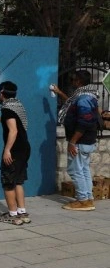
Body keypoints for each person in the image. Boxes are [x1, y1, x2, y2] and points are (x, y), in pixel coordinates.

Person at [0, 81, 31, 225]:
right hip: (24, 148)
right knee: (18, 181)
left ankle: (12, 215)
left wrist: (7, 150)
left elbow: (13, 130)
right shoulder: (17, 105)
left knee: (8, 182)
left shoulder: (7, 109)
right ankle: (22, 212)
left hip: (14, 150)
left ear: (2, 93)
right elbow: (9, 121)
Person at [51, 70, 99, 211]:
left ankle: (83, 200)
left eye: (73, 79)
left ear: (79, 81)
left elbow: (84, 122)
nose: (72, 82)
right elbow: (72, 105)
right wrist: (59, 93)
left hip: (80, 141)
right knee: (83, 170)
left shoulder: (83, 99)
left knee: (75, 171)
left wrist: (72, 142)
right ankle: (88, 198)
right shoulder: (87, 96)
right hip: (86, 141)